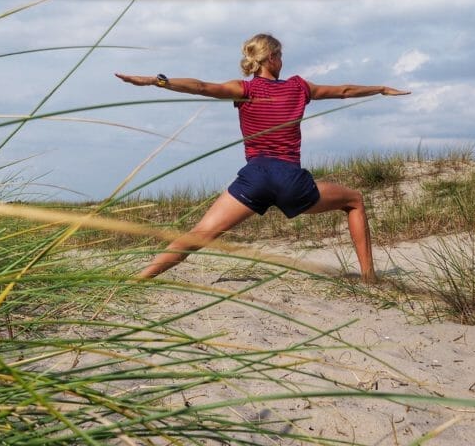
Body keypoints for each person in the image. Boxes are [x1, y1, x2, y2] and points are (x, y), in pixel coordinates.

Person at [115, 33, 410, 283]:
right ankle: (370, 278)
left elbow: (203, 87)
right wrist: (381, 88)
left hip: (255, 178)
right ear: (271, 59)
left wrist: (158, 81)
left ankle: (140, 278)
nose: (282, 62)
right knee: (354, 200)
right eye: (279, 56)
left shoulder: (244, 89)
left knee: (199, 234)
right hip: (290, 180)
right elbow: (344, 91)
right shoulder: (299, 87)